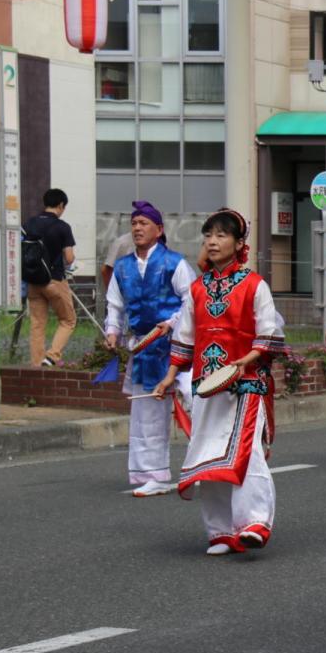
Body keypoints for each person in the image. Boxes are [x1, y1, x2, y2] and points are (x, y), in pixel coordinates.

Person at [154, 209, 286, 556]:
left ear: (240, 243)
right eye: (208, 235)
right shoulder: (198, 289)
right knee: (207, 455)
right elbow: (185, 337)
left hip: (247, 382)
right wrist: (170, 376)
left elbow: (270, 332)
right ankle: (220, 532)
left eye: (221, 235)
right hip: (207, 383)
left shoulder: (255, 285)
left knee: (247, 452)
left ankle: (254, 522)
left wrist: (249, 359)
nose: (212, 241)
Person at [104, 201, 195, 497]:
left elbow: (191, 301)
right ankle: (152, 474)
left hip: (177, 346)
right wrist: (113, 330)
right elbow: (115, 304)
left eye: (144, 223)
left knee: (198, 402)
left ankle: (208, 465)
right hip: (143, 347)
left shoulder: (175, 262)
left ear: (159, 229)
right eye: (134, 224)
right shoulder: (123, 267)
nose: (137, 228)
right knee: (146, 413)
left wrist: (171, 323)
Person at [23, 188, 78, 367]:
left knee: (37, 324)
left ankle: (37, 364)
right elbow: (69, 258)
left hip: (33, 281)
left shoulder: (30, 223)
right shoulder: (62, 227)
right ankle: (52, 356)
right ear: (61, 205)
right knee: (68, 320)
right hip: (54, 280)